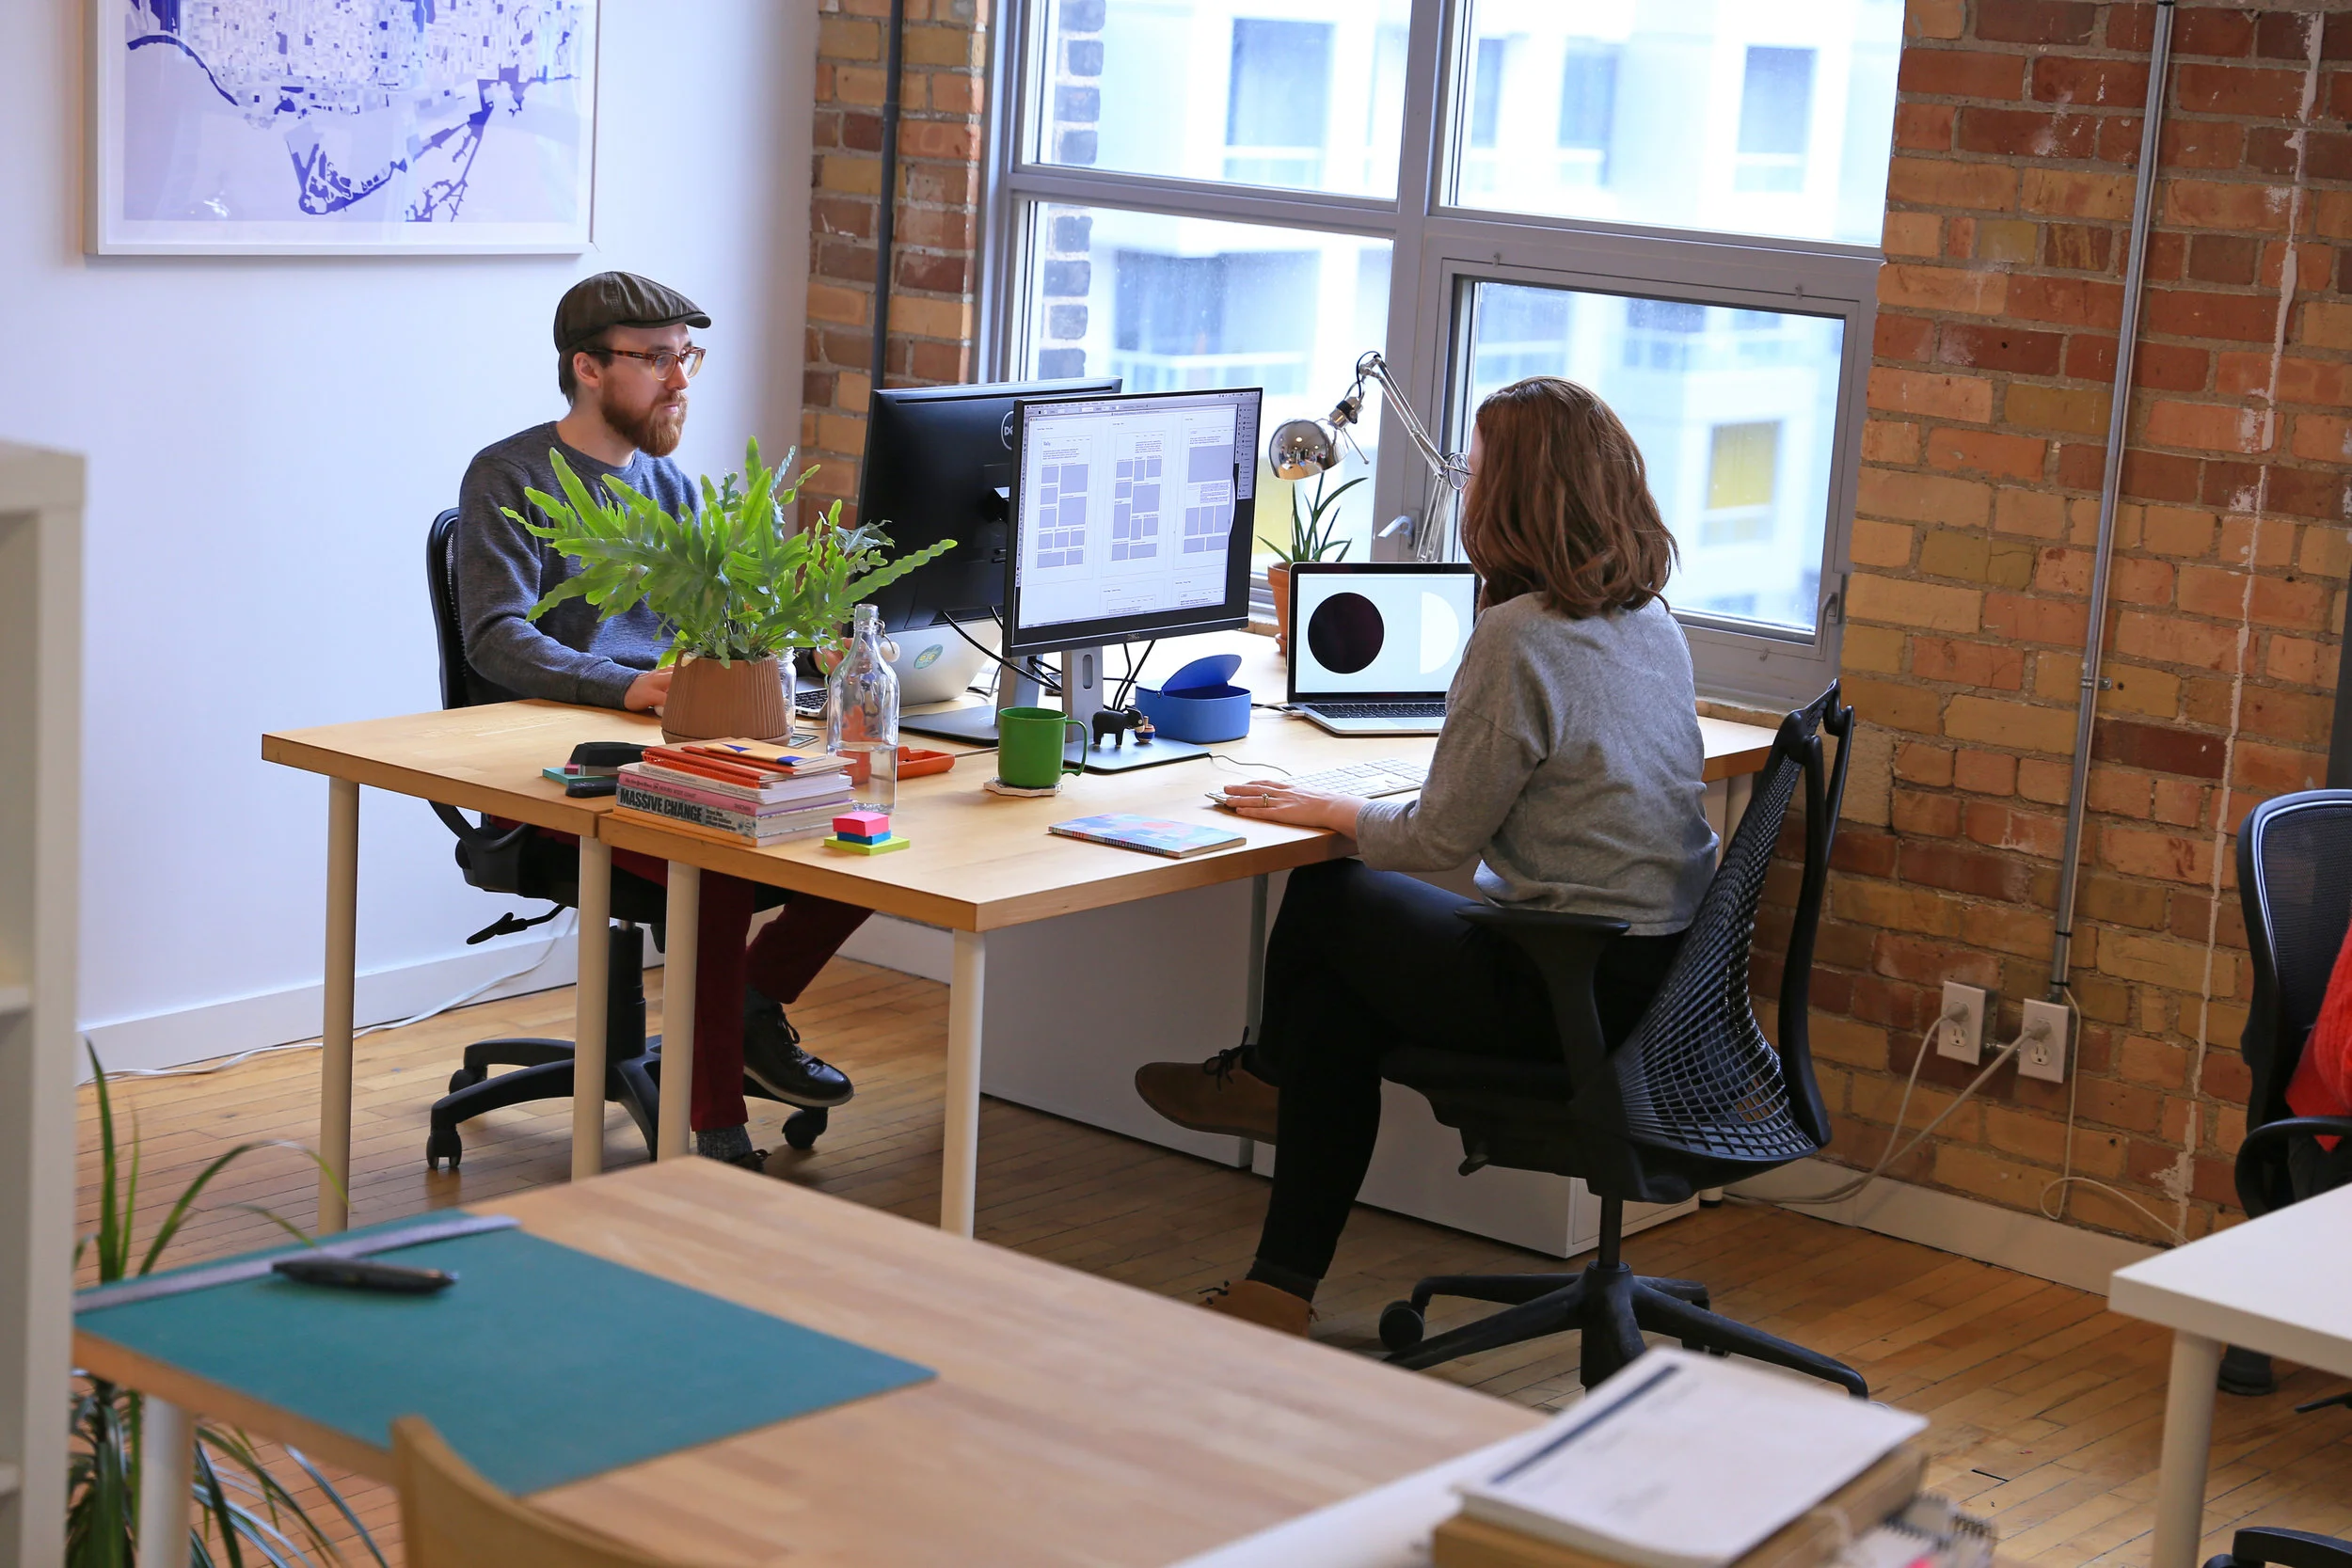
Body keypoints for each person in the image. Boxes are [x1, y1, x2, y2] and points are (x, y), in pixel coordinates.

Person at [1133, 376, 1720, 1334]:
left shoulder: (1516, 637)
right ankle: (1277, 1285)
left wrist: (1324, 808)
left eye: (1478, 470)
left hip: (1566, 983)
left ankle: (1268, 1082)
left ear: (1518, 494)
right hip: (1659, 982)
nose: (1466, 487)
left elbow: (1439, 839)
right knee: (1336, 998)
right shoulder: (1649, 620)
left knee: (1328, 891)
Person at [455, 271, 872, 1168]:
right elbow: (494, 639)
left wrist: (785, 658)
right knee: (717, 858)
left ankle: (752, 1004)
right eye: (656, 359)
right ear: (589, 368)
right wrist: (626, 687)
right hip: (557, 776)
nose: (681, 379)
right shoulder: (512, 474)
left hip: (684, 748)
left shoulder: (675, 489)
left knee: (859, 822)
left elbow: (715, 634)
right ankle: (713, 1124)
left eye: (686, 356)